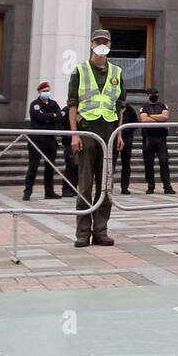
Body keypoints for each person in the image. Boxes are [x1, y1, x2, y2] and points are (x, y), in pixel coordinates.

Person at [66, 28, 123, 247]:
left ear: (109, 45)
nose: (102, 45)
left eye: (105, 42)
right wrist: (74, 134)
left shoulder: (116, 71)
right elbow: (72, 104)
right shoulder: (80, 70)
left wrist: (118, 133)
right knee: (86, 183)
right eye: (98, 41)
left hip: (109, 131)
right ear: (91, 44)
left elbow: (120, 105)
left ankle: (101, 231)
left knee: (106, 184)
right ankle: (82, 233)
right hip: (87, 130)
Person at [24, 81, 64, 201]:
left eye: (47, 90)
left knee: (50, 166)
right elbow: (40, 118)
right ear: (39, 92)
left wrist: (50, 117)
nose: (46, 93)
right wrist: (52, 117)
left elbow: (59, 117)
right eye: (44, 91)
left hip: (50, 139)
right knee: (33, 166)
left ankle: (49, 191)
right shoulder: (35, 104)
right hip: (37, 140)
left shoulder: (53, 103)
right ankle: (27, 191)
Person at [138, 87, 175, 195]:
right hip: (148, 138)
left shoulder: (162, 105)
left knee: (164, 161)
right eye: (153, 94)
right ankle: (150, 186)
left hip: (161, 138)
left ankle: (167, 186)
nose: (155, 96)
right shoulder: (143, 106)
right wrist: (158, 117)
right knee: (148, 163)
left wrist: (150, 116)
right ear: (148, 95)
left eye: (156, 94)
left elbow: (166, 117)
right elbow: (143, 120)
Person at [113, 95, 139, 195]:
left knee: (126, 164)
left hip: (127, 138)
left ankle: (125, 187)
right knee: (111, 163)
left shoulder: (130, 110)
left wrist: (125, 130)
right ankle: (108, 185)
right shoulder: (113, 108)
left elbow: (135, 124)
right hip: (114, 138)